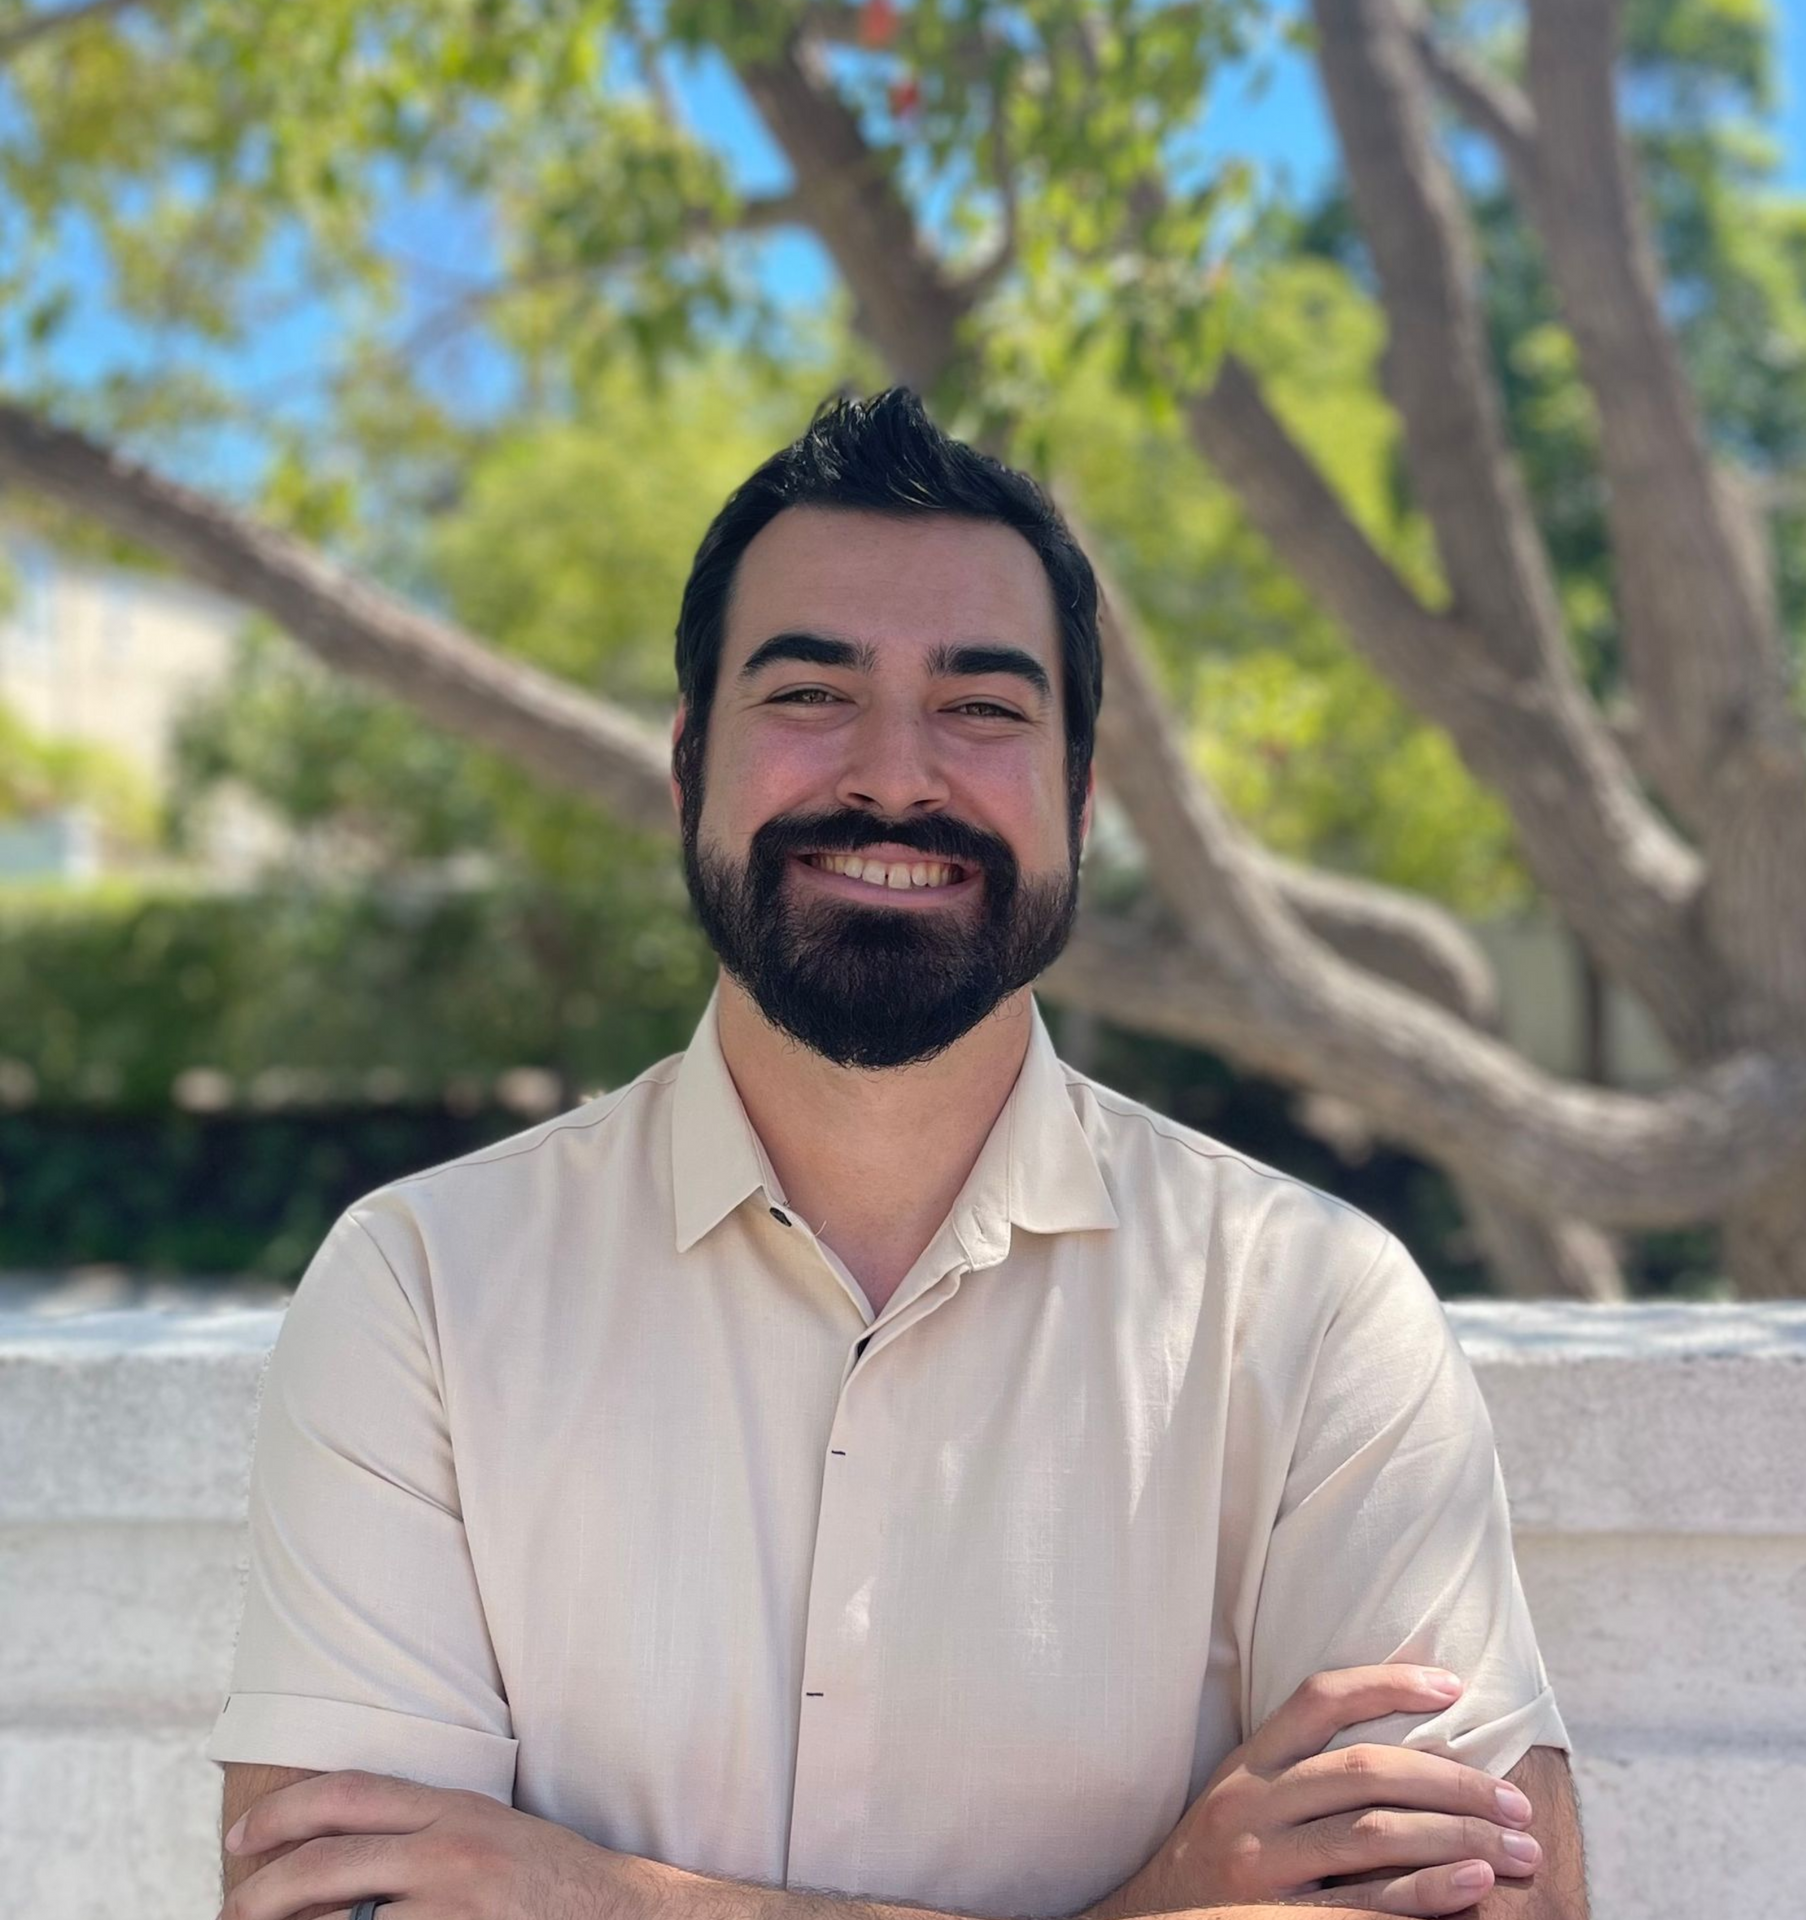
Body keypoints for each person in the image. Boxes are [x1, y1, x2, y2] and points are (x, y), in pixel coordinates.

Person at [208, 389, 1588, 1920]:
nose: (892, 777)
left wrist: (615, 1900)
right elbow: (330, 1903)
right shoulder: (423, 1287)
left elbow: (1503, 1904)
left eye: (981, 709)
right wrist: (1156, 1905)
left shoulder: (1309, 1304)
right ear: (687, 765)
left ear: (1078, 798)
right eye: (810, 692)